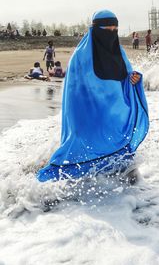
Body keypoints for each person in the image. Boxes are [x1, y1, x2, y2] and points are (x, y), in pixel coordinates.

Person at [37, 10, 149, 183]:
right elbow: (73, 95)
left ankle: (121, 184)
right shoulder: (80, 57)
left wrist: (134, 79)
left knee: (120, 157)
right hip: (89, 114)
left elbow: (127, 78)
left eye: (115, 30)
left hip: (114, 113)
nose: (111, 34)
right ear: (95, 29)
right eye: (107, 29)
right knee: (82, 148)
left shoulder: (119, 52)